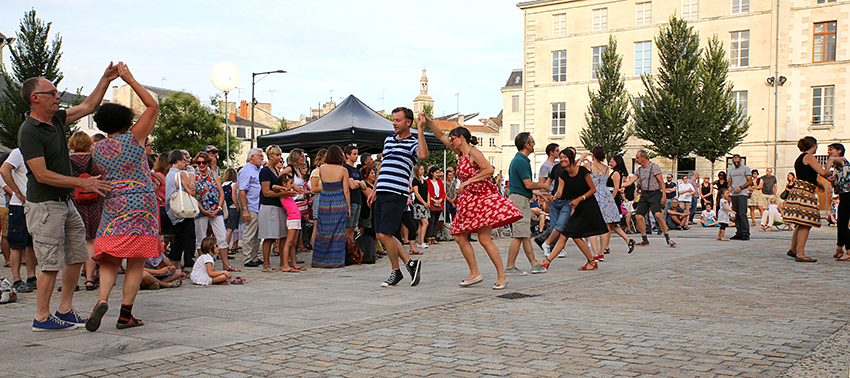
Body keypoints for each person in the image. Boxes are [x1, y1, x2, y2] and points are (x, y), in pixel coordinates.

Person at [18, 64, 115, 331]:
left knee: (76, 255)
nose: (58, 96)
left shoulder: (57, 120)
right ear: (35, 97)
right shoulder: (30, 131)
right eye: (52, 92)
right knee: (50, 262)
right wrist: (83, 181)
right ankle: (41, 317)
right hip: (45, 206)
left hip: (65, 203)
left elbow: (88, 106)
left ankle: (65, 309)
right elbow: (41, 174)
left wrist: (105, 79)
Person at [84, 63, 163, 332]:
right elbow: (152, 106)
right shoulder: (134, 138)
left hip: (114, 203)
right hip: (141, 202)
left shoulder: (97, 148)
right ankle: (125, 315)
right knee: (136, 261)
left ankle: (102, 300)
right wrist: (129, 78)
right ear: (127, 122)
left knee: (109, 258)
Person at [423, 117, 520, 289]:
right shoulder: (459, 155)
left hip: (481, 199)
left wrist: (467, 182)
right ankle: (474, 273)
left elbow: (489, 170)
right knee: (460, 236)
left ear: (462, 138)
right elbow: (440, 136)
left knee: (484, 239)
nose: (451, 140)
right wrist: (428, 121)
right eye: (451, 138)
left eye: (454, 138)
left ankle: (502, 275)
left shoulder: (474, 153)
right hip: (468, 201)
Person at [366, 106, 427, 287]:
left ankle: (396, 271)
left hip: (396, 192)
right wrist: (374, 189)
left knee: (386, 233)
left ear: (408, 123)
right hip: (382, 191)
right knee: (380, 233)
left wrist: (421, 129)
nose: (394, 123)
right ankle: (410, 264)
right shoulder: (388, 140)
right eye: (394, 120)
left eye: (398, 120)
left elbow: (423, 155)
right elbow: (382, 166)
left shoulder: (413, 143)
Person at [540, 148, 609, 271]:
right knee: (568, 235)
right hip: (577, 207)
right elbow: (560, 192)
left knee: (569, 235)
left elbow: (593, 189)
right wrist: (554, 197)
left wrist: (579, 199)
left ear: (571, 159)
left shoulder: (582, 171)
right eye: (560, 157)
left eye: (564, 157)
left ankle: (548, 261)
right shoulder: (563, 175)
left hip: (588, 205)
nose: (562, 159)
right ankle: (591, 262)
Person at [505, 132, 550, 275]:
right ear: (526, 145)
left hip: (520, 198)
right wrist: (544, 186)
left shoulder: (519, 160)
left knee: (525, 235)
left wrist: (540, 194)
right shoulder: (521, 161)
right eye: (532, 141)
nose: (534, 143)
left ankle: (534, 264)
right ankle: (510, 267)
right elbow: (528, 184)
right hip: (519, 201)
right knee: (519, 235)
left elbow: (522, 187)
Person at [785, 136, 834, 262]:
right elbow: (823, 172)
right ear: (813, 145)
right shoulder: (809, 157)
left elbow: (805, 175)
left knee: (801, 222)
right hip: (805, 193)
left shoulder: (800, 158)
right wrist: (829, 167)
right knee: (806, 223)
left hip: (799, 190)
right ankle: (800, 254)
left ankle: (793, 249)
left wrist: (817, 183)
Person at [68, 132, 104, 291]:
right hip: (96, 202)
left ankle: (72, 282)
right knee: (92, 240)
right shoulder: (95, 159)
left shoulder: (67, 161)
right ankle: (90, 279)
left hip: (75, 202)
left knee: (74, 241)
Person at [193, 152, 238, 272]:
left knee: (222, 236)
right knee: (201, 238)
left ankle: (226, 264)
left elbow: (220, 192)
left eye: (203, 162)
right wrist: (203, 210)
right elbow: (193, 195)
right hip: (200, 210)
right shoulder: (193, 175)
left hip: (215, 208)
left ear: (208, 163)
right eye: (198, 163)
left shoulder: (214, 174)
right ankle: (203, 264)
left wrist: (218, 207)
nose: (201, 165)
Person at [1, 148, 37, 294]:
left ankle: (31, 276)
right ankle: (16, 279)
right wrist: (17, 192)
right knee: (17, 244)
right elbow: (4, 169)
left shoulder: (38, 151)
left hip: (34, 204)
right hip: (18, 205)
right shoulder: (19, 152)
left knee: (31, 243)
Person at [623, 150, 676, 247]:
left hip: (654, 193)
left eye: (638, 158)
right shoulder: (639, 170)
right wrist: (618, 185)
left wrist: (664, 196)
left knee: (658, 215)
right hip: (644, 194)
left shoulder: (654, 167)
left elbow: (661, 182)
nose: (637, 160)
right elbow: (630, 181)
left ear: (644, 157)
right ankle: (644, 239)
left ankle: (668, 238)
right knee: (639, 216)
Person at [312, 145, 350, 268]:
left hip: (325, 200)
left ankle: (320, 259)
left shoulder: (322, 168)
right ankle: (336, 260)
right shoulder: (343, 170)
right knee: (338, 232)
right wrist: (348, 207)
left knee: (323, 230)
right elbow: (346, 191)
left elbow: (323, 183)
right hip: (338, 201)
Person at [258, 146, 290, 272]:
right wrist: (281, 194)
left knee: (282, 235)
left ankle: (283, 262)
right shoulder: (265, 171)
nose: (279, 158)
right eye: (277, 155)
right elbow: (266, 192)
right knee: (269, 236)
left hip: (278, 206)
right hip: (269, 206)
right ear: (271, 156)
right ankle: (266, 263)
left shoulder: (276, 171)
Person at [164, 150, 196, 271]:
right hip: (182, 210)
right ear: (177, 160)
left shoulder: (169, 174)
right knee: (182, 239)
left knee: (179, 237)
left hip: (172, 210)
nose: (186, 163)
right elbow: (191, 191)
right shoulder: (181, 174)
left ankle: (177, 265)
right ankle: (173, 262)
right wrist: (192, 183)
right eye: (184, 160)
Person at [274, 173, 306, 272]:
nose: (292, 185)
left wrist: (293, 187)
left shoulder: (289, 193)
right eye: (290, 183)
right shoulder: (283, 193)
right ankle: (285, 264)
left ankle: (293, 263)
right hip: (292, 219)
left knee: (294, 243)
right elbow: (274, 187)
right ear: (284, 183)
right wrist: (287, 188)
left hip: (297, 218)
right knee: (288, 242)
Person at [238, 148, 264, 267]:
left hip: (259, 206)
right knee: (249, 233)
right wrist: (245, 209)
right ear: (252, 157)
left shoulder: (258, 170)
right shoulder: (246, 171)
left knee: (257, 235)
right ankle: (247, 258)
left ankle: (254, 256)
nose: (262, 158)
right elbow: (242, 191)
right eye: (260, 156)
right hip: (251, 206)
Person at [826, 143, 850, 260]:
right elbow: (835, 184)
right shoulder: (838, 167)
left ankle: (849, 251)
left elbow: (831, 159)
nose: (829, 152)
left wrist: (825, 172)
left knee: (842, 224)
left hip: (848, 194)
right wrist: (831, 180)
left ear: (839, 151)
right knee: (841, 222)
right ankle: (839, 248)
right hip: (843, 195)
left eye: (831, 150)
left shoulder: (841, 160)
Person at [342, 146, 366, 243]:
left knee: (353, 227)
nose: (356, 156)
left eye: (357, 154)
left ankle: (351, 246)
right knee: (348, 227)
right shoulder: (346, 168)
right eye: (354, 154)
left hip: (358, 200)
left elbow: (364, 186)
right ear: (347, 155)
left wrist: (358, 183)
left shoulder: (356, 170)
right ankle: (347, 246)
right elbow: (351, 185)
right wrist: (359, 183)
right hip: (351, 200)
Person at [728, 154, 753, 240]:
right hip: (734, 194)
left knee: (742, 213)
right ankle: (739, 232)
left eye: (738, 162)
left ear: (740, 161)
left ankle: (745, 233)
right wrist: (729, 187)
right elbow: (729, 181)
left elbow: (750, 181)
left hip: (742, 193)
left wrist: (741, 187)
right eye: (734, 162)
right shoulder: (731, 170)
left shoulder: (745, 169)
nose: (736, 164)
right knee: (736, 214)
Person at [221, 168, 242, 255]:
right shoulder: (233, 184)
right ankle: (225, 247)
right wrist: (237, 206)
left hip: (225, 207)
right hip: (232, 207)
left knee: (225, 228)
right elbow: (234, 196)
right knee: (230, 228)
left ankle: (223, 246)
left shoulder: (223, 184)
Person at [309, 149, 327, 247]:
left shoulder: (328, 170)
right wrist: (327, 186)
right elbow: (314, 188)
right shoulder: (316, 171)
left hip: (327, 198)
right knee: (317, 225)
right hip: (319, 198)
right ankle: (315, 248)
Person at [411, 164, 430, 248]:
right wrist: (423, 202)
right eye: (421, 169)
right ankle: (421, 241)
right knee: (425, 222)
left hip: (425, 203)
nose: (423, 171)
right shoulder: (415, 180)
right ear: (417, 171)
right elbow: (416, 193)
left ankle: (420, 241)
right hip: (419, 204)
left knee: (421, 223)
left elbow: (427, 191)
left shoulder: (424, 180)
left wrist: (428, 201)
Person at [425, 166, 445, 245]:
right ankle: (429, 237)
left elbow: (443, 192)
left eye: (438, 172)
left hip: (439, 202)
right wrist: (433, 200)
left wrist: (440, 200)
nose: (438, 174)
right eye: (436, 172)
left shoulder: (439, 182)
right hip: (431, 202)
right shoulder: (427, 181)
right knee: (431, 220)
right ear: (432, 173)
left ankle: (434, 236)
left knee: (436, 221)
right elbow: (427, 192)